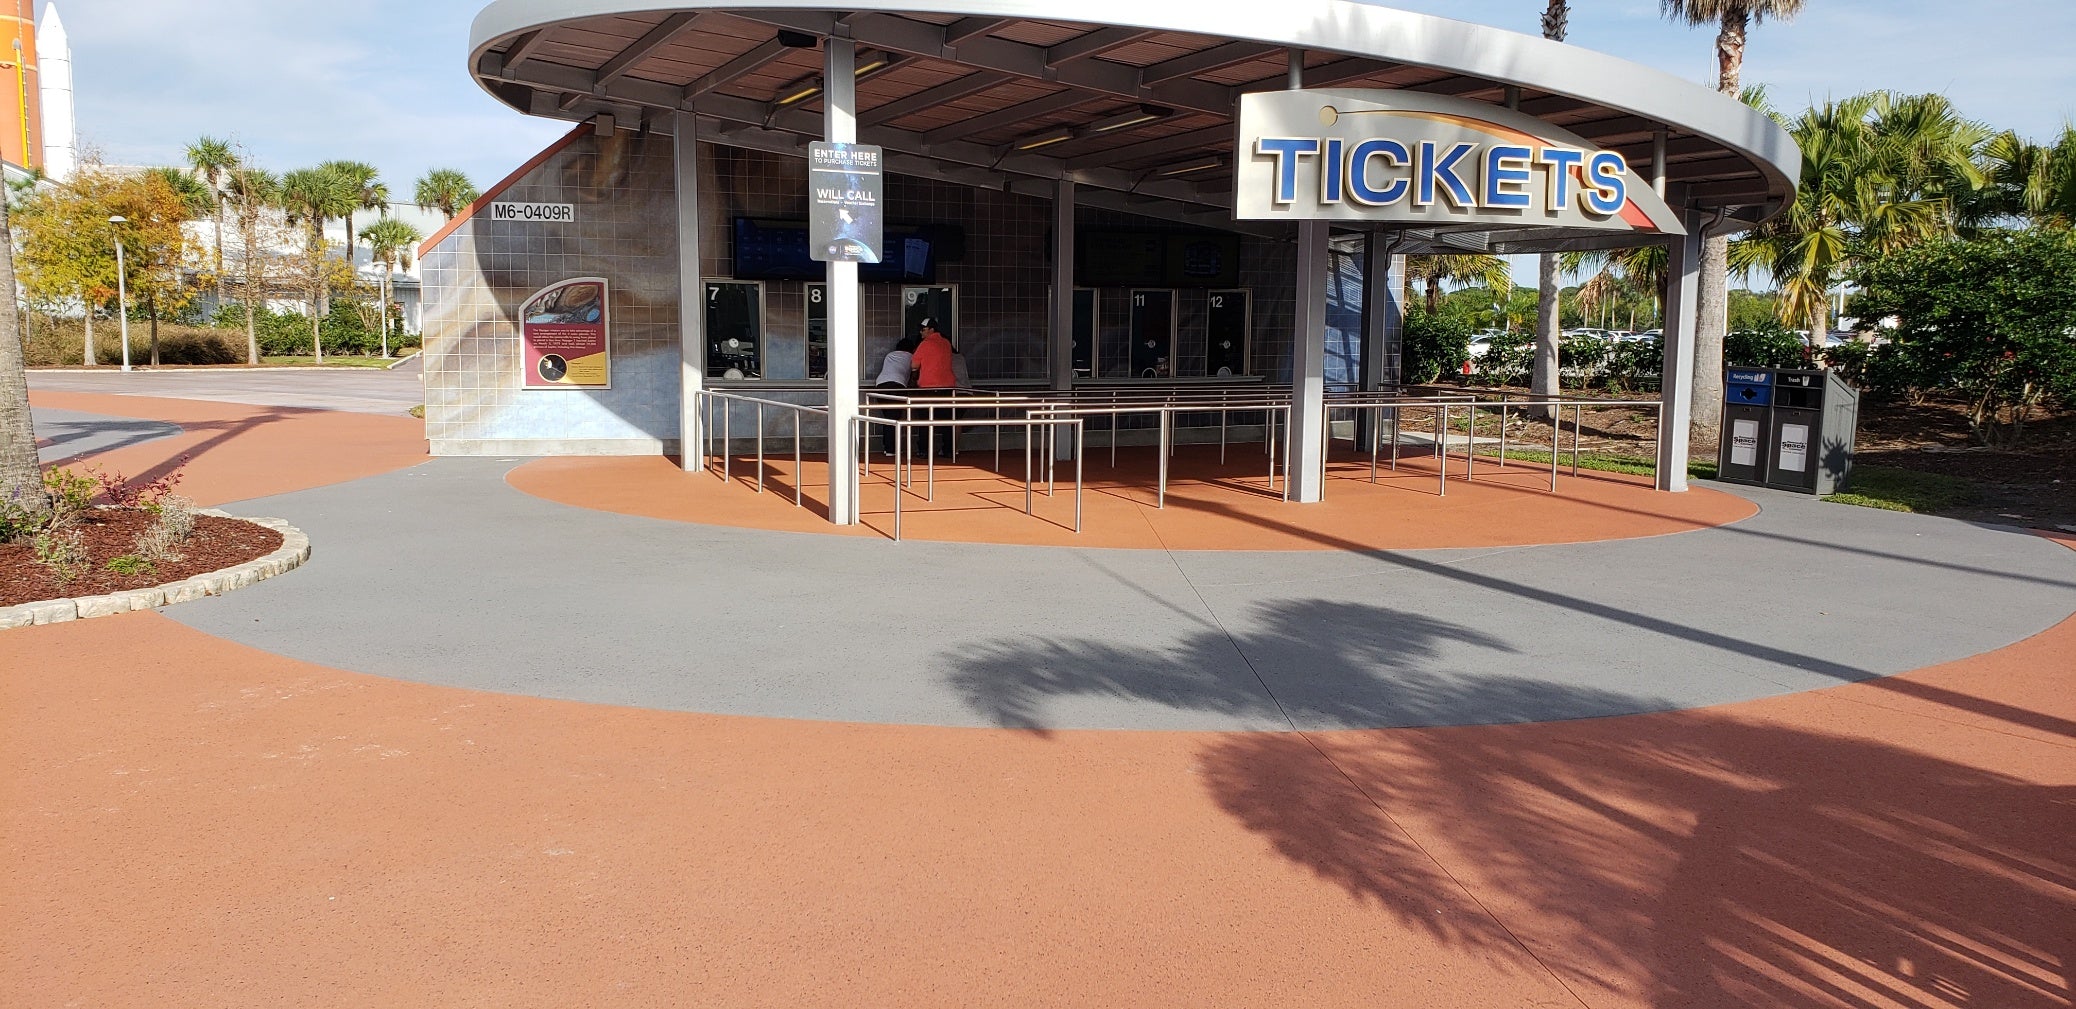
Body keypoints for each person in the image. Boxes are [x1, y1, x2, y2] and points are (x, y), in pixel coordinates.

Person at [910, 318, 956, 457]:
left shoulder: (925, 344)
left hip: (928, 388)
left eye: (923, 329)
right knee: (947, 421)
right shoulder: (947, 343)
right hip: (947, 387)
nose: (921, 332)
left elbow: (914, 365)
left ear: (931, 330)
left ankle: (924, 450)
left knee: (925, 420)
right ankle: (948, 450)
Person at [872, 334, 921, 456]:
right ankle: (891, 449)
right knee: (894, 418)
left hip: (881, 385)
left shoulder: (890, 355)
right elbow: (914, 374)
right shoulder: (911, 357)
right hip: (897, 386)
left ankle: (888, 447)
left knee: (888, 417)